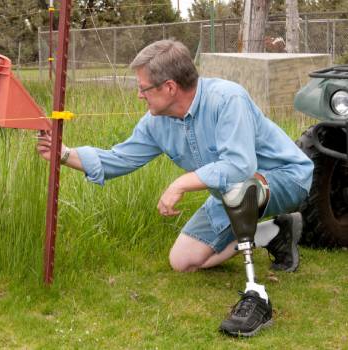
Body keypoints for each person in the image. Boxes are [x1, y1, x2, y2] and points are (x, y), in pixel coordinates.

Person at [37, 39, 313, 337]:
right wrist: (63, 154)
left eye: (143, 88)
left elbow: (239, 166)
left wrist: (181, 182)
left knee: (242, 189)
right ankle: (275, 231)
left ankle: (255, 293)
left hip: (285, 177)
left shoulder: (227, 99)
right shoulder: (156, 122)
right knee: (183, 260)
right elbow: (119, 159)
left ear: (169, 87)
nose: (139, 95)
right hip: (231, 193)